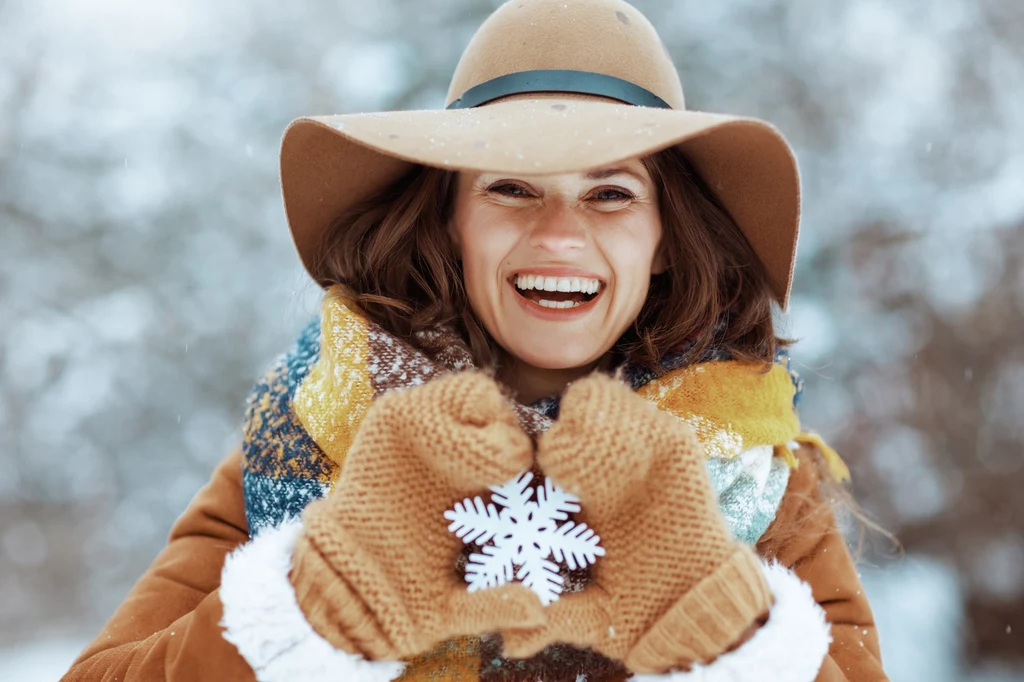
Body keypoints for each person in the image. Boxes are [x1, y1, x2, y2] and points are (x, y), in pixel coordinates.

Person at [62, 0, 889, 680]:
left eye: (609, 194)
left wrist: (713, 613)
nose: (560, 235)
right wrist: (320, 599)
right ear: (450, 221)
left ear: (666, 238)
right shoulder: (309, 436)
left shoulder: (760, 483)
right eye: (512, 188)